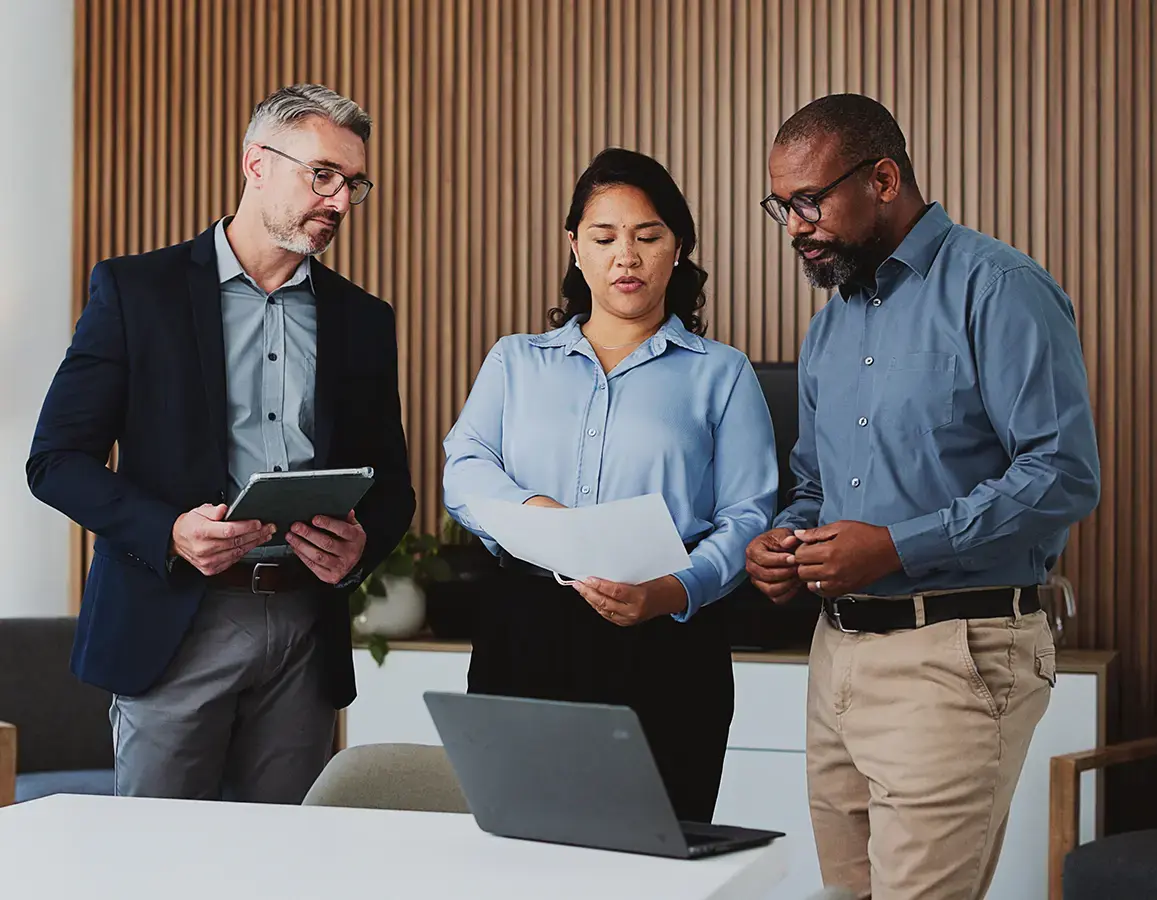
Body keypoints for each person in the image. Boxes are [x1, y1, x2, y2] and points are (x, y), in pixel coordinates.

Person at [746, 94, 1101, 899]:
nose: (796, 225)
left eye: (810, 200)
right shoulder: (829, 327)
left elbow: (1063, 472)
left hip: (954, 655)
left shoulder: (1000, 287)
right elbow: (813, 483)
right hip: (835, 655)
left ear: (882, 178)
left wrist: (896, 545)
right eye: (782, 206)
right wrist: (785, 540)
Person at [27, 84, 415, 803]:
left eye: (353, 185)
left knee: (283, 869)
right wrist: (170, 531)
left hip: (305, 630)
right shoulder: (135, 291)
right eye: (322, 175)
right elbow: (55, 462)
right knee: (158, 868)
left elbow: (392, 482)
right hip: (172, 621)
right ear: (255, 163)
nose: (338, 202)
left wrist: (363, 547)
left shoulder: (363, 319)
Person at [442, 148, 778, 823]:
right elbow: (464, 468)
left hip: (667, 640)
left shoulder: (723, 373)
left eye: (647, 237)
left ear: (677, 247)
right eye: (604, 238)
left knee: (653, 857)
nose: (626, 256)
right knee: (519, 855)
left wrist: (674, 590)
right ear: (575, 248)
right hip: (525, 630)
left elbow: (748, 513)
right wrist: (538, 511)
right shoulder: (515, 362)